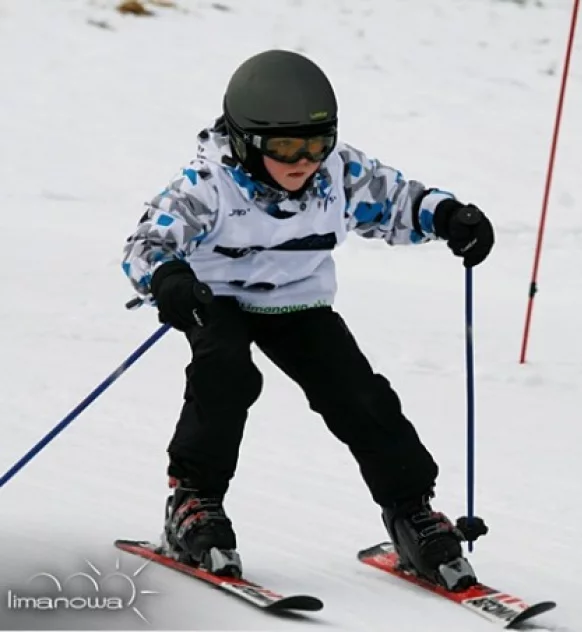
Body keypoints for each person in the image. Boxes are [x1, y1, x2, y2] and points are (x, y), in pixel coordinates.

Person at [120, 49, 494, 591]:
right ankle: (193, 501)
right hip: (214, 297)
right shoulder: (206, 185)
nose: (305, 160)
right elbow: (148, 243)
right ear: (247, 143)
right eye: (287, 147)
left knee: (358, 393)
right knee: (226, 375)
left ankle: (410, 511)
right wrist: (169, 281)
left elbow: (396, 201)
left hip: (297, 301)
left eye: (318, 144)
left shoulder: (337, 173)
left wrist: (447, 215)